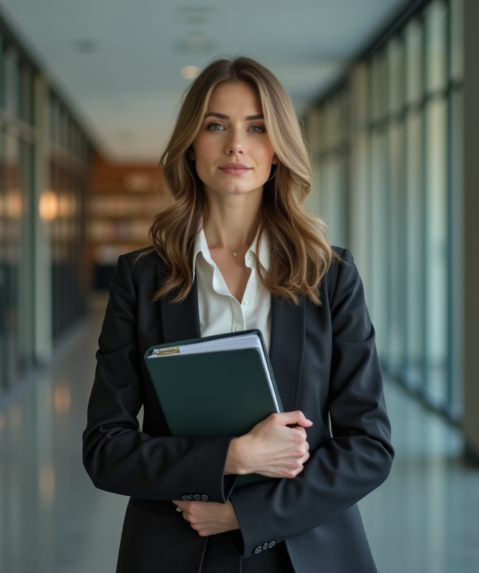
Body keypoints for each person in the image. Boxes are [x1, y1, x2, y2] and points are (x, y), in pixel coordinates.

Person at [82, 56, 394, 573]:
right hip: (177, 551)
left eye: (257, 127)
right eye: (215, 126)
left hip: (308, 548)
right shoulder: (140, 278)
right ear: (190, 145)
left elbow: (369, 447)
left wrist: (244, 514)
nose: (236, 145)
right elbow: (105, 448)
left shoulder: (329, 274)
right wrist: (232, 458)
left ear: (279, 149)